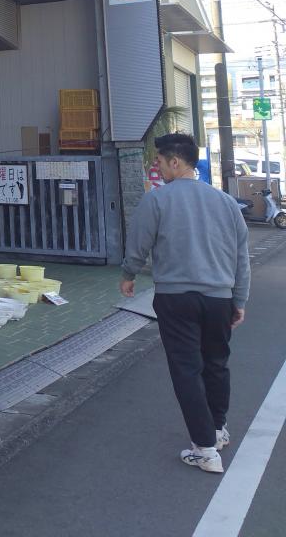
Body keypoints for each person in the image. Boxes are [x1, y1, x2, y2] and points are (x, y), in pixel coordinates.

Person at [121, 132, 250, 474]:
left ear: (175, 162)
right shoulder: (225, 202)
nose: (158, 168)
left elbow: (139, 242)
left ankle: (205, 449)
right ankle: (217, 430)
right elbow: (241, 257)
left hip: (175, 298)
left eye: (160, 162)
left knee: (187, 370)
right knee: (216, 364)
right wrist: (239, 299)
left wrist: (129, 273)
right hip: (219, 298)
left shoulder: (157, 200)